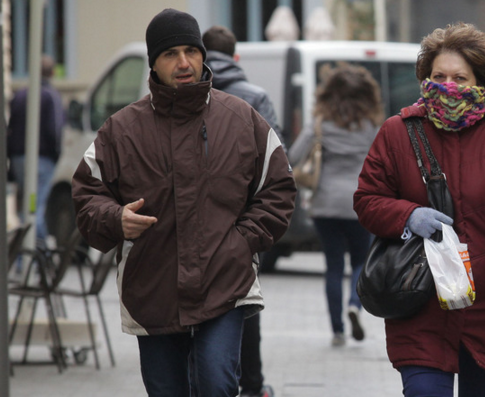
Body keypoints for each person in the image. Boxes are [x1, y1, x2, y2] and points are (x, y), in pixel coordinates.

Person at [71, 9, 296, 396]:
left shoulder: (241, 119)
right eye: (170, 53)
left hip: (226, 283)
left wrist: (241, 242)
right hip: (152, 288)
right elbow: (86, 194)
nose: (183, 63)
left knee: (216, 383)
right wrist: (115, 219)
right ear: (153, 63)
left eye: (191, 51)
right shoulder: (121, 130)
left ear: (203, 55)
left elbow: (279, 187)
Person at [353, 23, 485, 396]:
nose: (448, 86)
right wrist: (408, 217)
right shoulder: (398, 131)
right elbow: (367, 200)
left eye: (460, 77)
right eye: (438, 76)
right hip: (420, 297)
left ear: (481, 81)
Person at [202, 25, 278, 397]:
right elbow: (276, 165)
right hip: (242, 222)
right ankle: (252, 383)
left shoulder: (182, 92)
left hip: (193, 222)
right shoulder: (255, 97)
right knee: (245, 300)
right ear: (235, 57)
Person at [288, 63, 381, 347]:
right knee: (361, 262)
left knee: (332, 265)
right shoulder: (372, 127)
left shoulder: (319, 124)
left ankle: (337, 330)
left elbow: (293, 156)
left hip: (325, 204)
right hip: (360, 204)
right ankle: (355, 303)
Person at [7, 54, 66, 245]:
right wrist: (56, 155)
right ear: (52, 72)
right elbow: (55, 130)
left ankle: (24, 257)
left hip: (18, 159)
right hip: (41, 160)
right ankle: (37, 254)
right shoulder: (50, 96)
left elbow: (11, 128)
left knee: (29, 205)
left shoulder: (21, 94)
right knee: (35, 207)